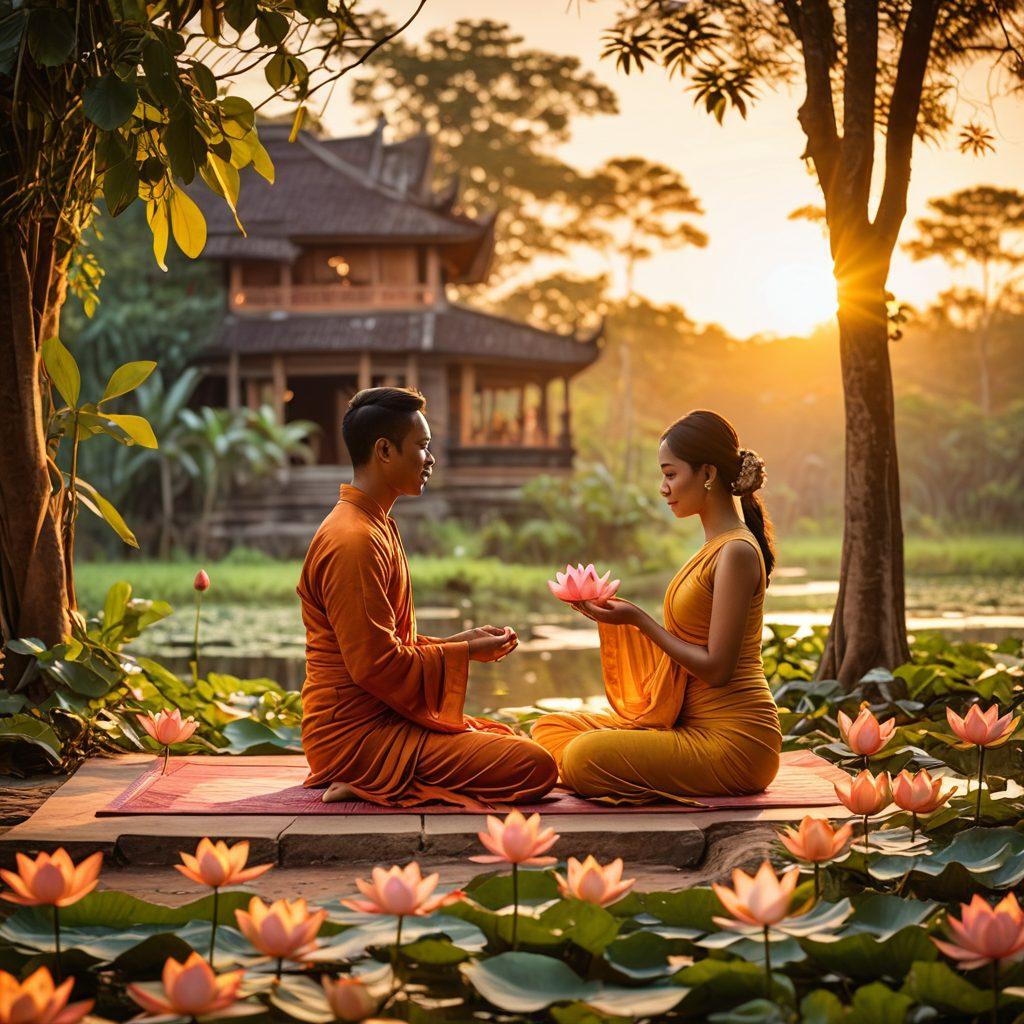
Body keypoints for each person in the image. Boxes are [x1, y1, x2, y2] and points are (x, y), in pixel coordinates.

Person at [298, 386, 557, 807]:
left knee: (506, 737)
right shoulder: (353, 540)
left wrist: (460, 644)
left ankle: (371, 779)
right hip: (355, 739)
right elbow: (374, 667)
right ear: (384, 451)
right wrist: (465, 653)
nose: (430, 459)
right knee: (534, 766)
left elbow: (386, 649)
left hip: (382, 724)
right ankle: (363, 780)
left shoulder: (373, 524)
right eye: (422, 446)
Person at [532, 409, 782, 804]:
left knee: (582, 755)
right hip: (687, 725)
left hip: (736, 741)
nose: (663, 488)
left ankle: (587, 770)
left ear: (707, 473)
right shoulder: (713, 548)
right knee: (550, 728)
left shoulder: (736, 552)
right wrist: (628, 618)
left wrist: (639, 620)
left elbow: (717, 669)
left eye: (670, 474)